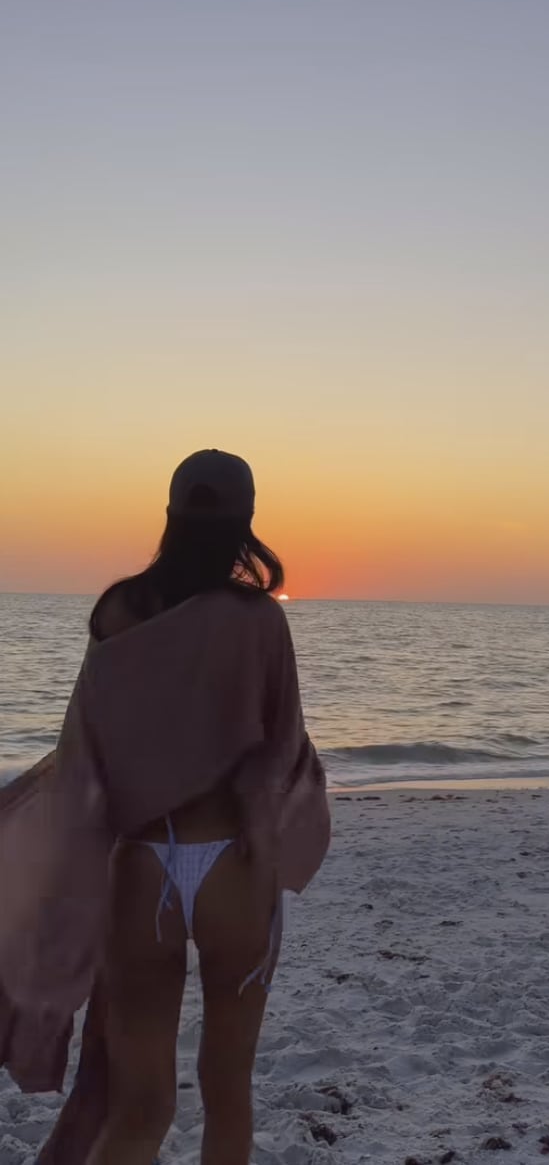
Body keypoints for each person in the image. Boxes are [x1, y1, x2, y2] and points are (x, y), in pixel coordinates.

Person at [0, 449, 330, 1165]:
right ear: (246, 521)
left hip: (142, 871)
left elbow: (84, 760)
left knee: (140, 1105)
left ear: (172, 514)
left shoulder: (117, 611)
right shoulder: (259, 620)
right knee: (228, 1092)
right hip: (231, 870)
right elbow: (283, 754)